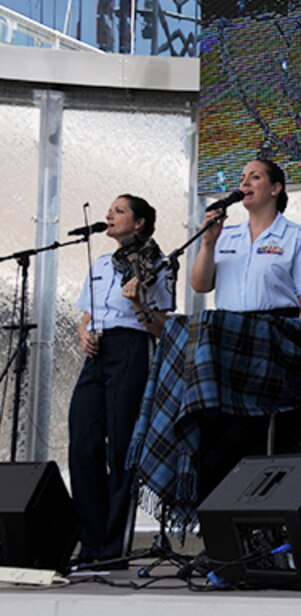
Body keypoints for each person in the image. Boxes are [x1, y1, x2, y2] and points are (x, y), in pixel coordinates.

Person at [69, 194, 175, 566]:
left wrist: (137, 304)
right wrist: (84, 332)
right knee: (83, 443)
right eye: (110, 210)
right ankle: (90, 539)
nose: (109, 216)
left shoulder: (158, 265)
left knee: (121, 448)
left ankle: (112, 548)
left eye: (119, 211)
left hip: (131, 348)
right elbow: (86, 313)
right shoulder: (99, 263)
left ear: (140, 222)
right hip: (97, 352)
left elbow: (163, 327)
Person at [191, 159, 301, 317]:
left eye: (255, 177)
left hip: (276, 331)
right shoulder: (226, 235)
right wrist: (208, 243)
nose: (245, 184)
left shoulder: (296, 236)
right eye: (242, 179)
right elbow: (200, 285)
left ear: (275, 189)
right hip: (227, 330)